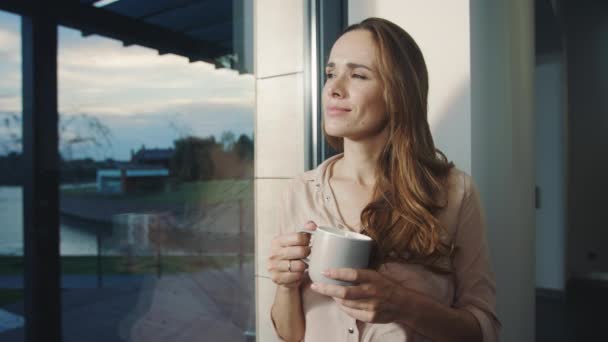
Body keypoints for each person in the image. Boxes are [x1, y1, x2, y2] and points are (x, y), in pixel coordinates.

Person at [267, 17, 500, 342]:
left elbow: (483, 330)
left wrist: (404, 305)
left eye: (358, 75)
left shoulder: (455, 192)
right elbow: (291, 336)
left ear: (398, 93)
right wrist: (285, 285)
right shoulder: (299, 192)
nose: (333, 88)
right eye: (331, 73)